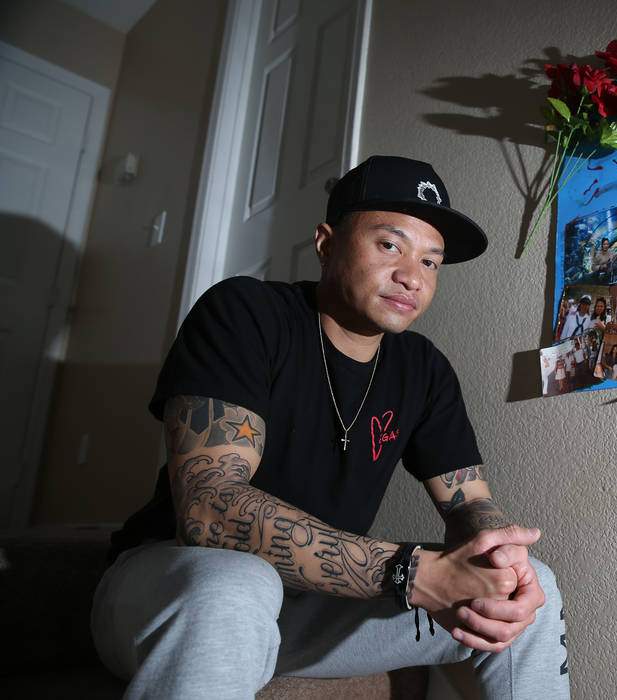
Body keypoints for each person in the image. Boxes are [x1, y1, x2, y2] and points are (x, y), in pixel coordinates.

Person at [90, 156, 568, 699]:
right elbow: (209, 511)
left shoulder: (423, 367)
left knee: (536, 586)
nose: (412, 275)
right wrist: (410, 572)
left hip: (314, 606)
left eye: (431, 262)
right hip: (178, 587)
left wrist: (498, 554)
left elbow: (467, 503)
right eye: (390, 245)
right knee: (237, 581)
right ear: (326, 243)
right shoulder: (245, 313)